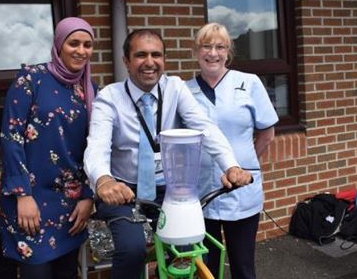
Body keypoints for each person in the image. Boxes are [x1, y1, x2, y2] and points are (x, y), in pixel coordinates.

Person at [83, 29, 252, 278]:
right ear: (126, 61)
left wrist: (231, 166)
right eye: (141, 55)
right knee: (132, 249)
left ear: (164, 59)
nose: (150, 62)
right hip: (124, 192)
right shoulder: (110, 96)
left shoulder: (174, 88)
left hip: (170, 189)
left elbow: (205, 128)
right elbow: (97, 145)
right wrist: (104, 180)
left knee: (190, 247)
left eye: (156, 55)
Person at [0, 17, 97, 278]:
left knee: (67, 272)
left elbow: (94, 146)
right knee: (37, 273)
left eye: (87, 44)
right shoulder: (30, 80)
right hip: (30, 200)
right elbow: (11, 136)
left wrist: (88, 195)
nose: (81, 50)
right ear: (58, 44)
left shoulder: (89, 89)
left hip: (71, 202)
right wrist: (22, 194)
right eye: (73, 43)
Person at [185, 23, 278, 279]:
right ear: (195, 51)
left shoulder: (249, 83)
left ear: (228, 52)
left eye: (220, 47)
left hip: (242, 189)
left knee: (243, 264)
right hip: (201, 190)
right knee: (205, 266)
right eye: (206, 46)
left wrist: (242, 165)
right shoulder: (183, 90)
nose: (213, 53)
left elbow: (267, 135)